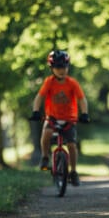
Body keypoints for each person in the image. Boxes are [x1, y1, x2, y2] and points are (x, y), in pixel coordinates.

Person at [31, 50, 90, 186]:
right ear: (52, 68)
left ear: (68, 67)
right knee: (46, 134)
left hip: (69, 119)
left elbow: (82, 99)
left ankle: (73, 172)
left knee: (72, 145)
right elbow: (39, 97)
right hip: (53, 117)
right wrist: (35, 110)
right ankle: (45, 157)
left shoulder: (72, 83)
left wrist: (85, 113)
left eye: (64, 67)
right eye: (58, 67)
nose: (61, 70)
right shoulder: (49, 82)